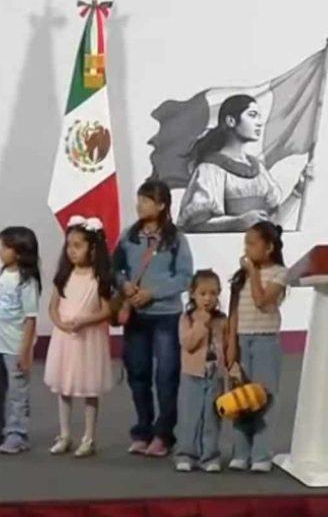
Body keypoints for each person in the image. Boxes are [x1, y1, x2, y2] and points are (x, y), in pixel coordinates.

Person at [113, 180, 194, 458]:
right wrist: (124, 286)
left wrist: (153, 293)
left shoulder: (176, 239)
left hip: (166, 317)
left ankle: (164, 435)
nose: (140, 205)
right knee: (138, 374)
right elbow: (115, 268)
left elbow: (185, 277)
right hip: (136, 317)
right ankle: (142, 431)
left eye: (146, 200)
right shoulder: (128, 236)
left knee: (166, 376)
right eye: (139, 199)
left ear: (161, 205)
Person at [177, 94, 312, 232]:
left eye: (259, 116)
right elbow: (195, 225)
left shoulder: (258, 169)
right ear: (231, 121)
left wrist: (298, 191)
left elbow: (273, 223)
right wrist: (236, 222)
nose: (259, 123)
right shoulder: (210, 169)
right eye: (252, 115)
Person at [44, 216, 115, 457]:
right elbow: (53, 307)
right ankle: (64, 434)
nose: (72, 251)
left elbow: (106, 310)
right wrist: (60, 324)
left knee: (89, 387)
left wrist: (85, 320)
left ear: (92, 248)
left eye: (78, 246)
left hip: (89, 339)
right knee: (64, 386)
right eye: (69, 245)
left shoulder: (98, 278)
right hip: (65, 338)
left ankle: (89, 437)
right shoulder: (64, 275)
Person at [228, 221, 288, 473]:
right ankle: (240, 452)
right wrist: (231, 346)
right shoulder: (240, 276)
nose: (247, 249)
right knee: (241, 397)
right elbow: (233, 313)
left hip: (265, 340)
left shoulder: (279, 273)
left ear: (269, 247)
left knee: (263, 397)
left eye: (252, 244)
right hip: (242, 340)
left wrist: (253, 273)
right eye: (246, 244)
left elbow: (262, 301)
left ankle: (261, 454)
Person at [0, 226, 41, 455]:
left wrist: (25, 350)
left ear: (19, 251)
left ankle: (17, 434)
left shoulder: (26, 282)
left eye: (5, 247)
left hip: (15, 346)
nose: (0, 251)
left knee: (17, 393)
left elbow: (30, 319)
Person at [174, 269, 230, 473]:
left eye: (213, 293)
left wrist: (230, 370)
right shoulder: (187, 319)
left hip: (215, 376)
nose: (208, 298)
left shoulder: (222, 320)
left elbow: (227, 347)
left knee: (211, 417)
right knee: (189, 417)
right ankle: (186, 454)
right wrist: (201, 324)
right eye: (203, 293)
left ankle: (210, 456)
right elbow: (187, 344)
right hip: (192, 375)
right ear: (193, 294)